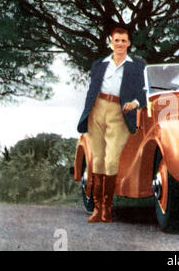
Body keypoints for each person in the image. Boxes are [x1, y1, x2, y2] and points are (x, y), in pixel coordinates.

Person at [77, 26, 147, 223]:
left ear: (129, 43)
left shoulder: (137, 66)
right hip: (97, 109)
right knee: (97, 159)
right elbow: (92, 89)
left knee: (111, 160)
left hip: (120, 112)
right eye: (117, 40)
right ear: (111, 42)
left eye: (124, 41)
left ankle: (107, 208)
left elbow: (144, 90)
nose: (120, 45)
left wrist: (136, 103)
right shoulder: (99, 64)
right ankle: (98, 210)